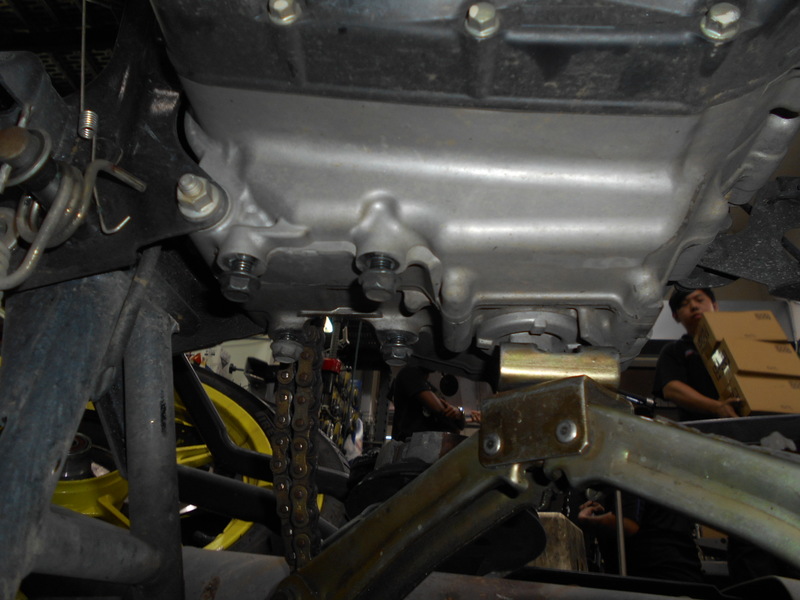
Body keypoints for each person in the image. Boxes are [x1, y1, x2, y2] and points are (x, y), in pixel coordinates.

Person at [653, 287, 741, 421]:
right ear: (676, 316)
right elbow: (671, 389)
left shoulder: (739, 343)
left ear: (715, 306)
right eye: (684, 304)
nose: (694, 306)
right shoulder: (674, 350)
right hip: (700, 428)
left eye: (700, 300)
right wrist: (718, 408)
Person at [578, 490, 703, 583]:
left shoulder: (630, 470)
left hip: (655, 580)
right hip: (682, 578)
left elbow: (627, 524)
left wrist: (589, 520)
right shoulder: (662, 475)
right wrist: (605, 516)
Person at [390, 366, 467, 441]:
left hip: (431, 445)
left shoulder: (432, 390)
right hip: (411, 444)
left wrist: (458, 413)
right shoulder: (408, 373)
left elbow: (459, 426)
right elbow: (439, 409)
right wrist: (454, 414)